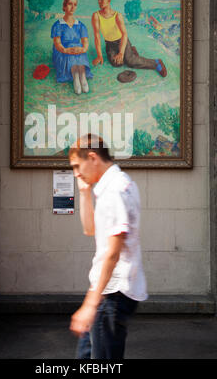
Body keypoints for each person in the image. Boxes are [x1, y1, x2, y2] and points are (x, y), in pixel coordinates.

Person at [69, 134, 148, 359]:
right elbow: (91, 230)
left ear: (92, 157)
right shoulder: (115, 185)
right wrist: (84, 193)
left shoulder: (115, 190)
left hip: (112, 294)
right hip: (108, 292)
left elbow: (113, 252)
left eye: (77, 166)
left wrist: (90, 304)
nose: (76, 173)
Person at [91, 0, 167, 82]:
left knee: (131, 62)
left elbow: (124, 35)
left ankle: (156, 63)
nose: (99, 1)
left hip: (122, 41)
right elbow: (97, 36)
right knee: (116, 64)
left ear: (108, 0)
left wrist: (121, 53)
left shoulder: (117, 16)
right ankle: (132, 51)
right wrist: (99, 56)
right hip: (110, 44)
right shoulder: (96, 16)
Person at [51, 0, 93, 95]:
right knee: (72, 47)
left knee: (77, 46)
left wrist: (82, 49)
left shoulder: (80, 25)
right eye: (70, 4)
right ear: (64, 7)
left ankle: (82, 76)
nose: (72, 7)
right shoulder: (58, 25)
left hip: (77, 51)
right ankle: (75, 77)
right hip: (62, 52)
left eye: (75, 5)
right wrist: (66, 50)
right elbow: (57, 44)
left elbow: (85, 43)